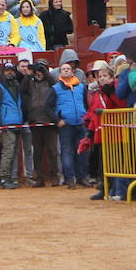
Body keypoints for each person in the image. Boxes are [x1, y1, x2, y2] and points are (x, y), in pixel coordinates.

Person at [0, 62, 26, 190]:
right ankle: (4, 177)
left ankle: (9, 177)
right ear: (2, 72)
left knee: (14, 153)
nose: (10, 73)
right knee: (8, 152)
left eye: (12, 70)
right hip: (6, 124)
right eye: (7, 71)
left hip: (17, 122)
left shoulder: (16, 86)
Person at [22, 61, 59, 187]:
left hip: (49, 121)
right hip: (35, 120)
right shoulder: (31, 82)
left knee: (52, 151)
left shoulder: (50, 82)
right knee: (37, 152)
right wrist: (29, 74)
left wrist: (45, 72)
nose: (38, 72)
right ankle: (39, 177)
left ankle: (55, 176)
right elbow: (22, 89)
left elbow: (54, 83)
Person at [53, 60, 87, 189]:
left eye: (68, 69)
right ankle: (70, 179)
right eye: (63, 69)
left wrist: (86, 117)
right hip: (66, 124)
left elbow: (85, 103)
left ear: (73, 72)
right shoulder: (55, 88)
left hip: (80, 122)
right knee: (67, 152)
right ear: (60, 73)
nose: (66, 70)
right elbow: (48, 107)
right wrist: (57, 120)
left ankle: (81, 177)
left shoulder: (81, 87)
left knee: (82, 151)